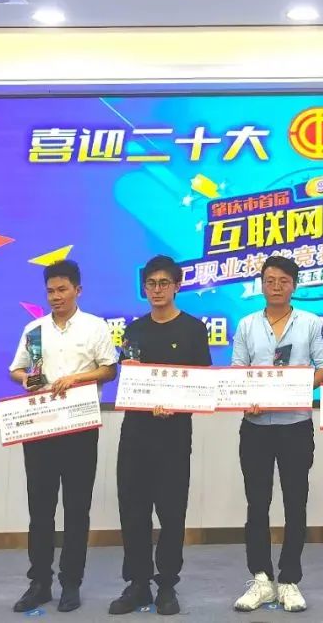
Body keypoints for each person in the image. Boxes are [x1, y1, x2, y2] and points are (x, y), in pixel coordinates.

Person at [9, 259, 118, 614]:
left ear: (77, 290)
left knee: (76, 508)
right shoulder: (34, 329)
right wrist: (27, 380)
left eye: (62, 289)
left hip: (79, 426)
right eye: (50, 291)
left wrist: (77, 379)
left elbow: (109, 369)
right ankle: (39, 582)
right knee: (40, 509)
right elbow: (16, 369)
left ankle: (71, 582)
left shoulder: (95, 327)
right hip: (40, 425)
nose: (56, 296)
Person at [109, 255, 212, 617]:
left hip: (174, 435)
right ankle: (138, 583)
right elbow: (128, 378)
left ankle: (167, 584)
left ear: (177, 286)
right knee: (133, 510)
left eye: (163, 283)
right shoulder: (134, 330)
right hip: (136, 433)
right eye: (151, 284)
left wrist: (177, 405)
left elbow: (202, 384)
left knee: (171, 512)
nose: (156, 290)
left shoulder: (193, 329)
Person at [231, 255, 323, 614]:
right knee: (257, 504)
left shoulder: (311, 323)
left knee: (295, 502)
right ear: (261, 284)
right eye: (270, 280)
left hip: (295, 425)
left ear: (294, 285)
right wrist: (250, 396)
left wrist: (295, 390)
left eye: (283, 281)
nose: (276, 287)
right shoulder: (246, 324)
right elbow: (238, 369)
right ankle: (261, 578)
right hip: (255, 426)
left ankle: (289, 580)